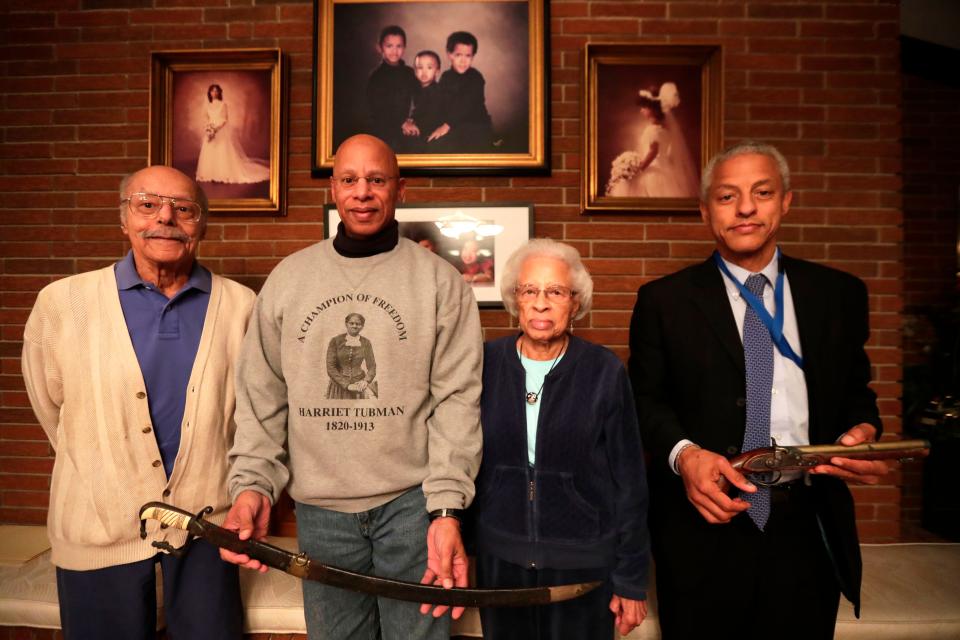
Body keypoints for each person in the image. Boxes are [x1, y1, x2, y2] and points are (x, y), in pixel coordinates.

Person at [221, 134, 483, 640]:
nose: (362, 192)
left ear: (399, 189)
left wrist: (447, 509)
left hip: (413, 509)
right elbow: (260, 398)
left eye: (376, 179)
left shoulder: (439, 282)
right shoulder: (289, 279)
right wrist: (253, 486)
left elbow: (457, 403)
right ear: (334, 190)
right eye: (349, 179)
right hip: (320, 515)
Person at [628, 141, 890, 639]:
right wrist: (685, 456)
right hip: (703, 524)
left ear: (785, 201)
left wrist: (863, 430)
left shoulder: (839, 295)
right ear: (706, 211)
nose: (745, 207)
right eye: (727, 196)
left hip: (807, 525)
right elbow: (644, 401)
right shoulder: (664, 301)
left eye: (761, 192)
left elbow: (858, 392)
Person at [21, 165, 256, 640]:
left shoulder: (241, 306)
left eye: (183, 209)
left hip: (207, 528)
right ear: (124, 218)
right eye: (147, 204)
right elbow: (51, 409)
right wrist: (107, 473)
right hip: (95, 524)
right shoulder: (64, 303)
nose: (165, 218)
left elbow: (254, 418)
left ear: (201, 224)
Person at [473, 238, 650, 639]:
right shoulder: (484, 364)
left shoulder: (604, 371)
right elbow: (461, 461)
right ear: (515, 299)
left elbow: (631, 483)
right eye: (529, 291)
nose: (540, 303)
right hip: (500, 562)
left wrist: (631, 579)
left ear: (576, 302)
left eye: (555, 292)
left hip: (585, 566)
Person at [606, 82, 698, 199]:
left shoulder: (653, 130)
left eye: (644, 107)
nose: (641, 111)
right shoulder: (665, 129)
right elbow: (666, 152)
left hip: (654, 172)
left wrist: (640, 169)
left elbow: (653, 152)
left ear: (653, 109)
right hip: (666, 170)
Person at [195, 83, 271, 184]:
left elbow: (225, 119)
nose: (214, 93)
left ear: (219, 93)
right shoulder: (207, 105)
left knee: (221, 151)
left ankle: (222, 174)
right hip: (210, 131)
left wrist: (215, 128)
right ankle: (210, 173)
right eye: (212, 91)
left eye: (216, 91)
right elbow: (206, 118)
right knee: (209, 151)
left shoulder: (223, 104)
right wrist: (209, 128)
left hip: (220, 131)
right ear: (209, 93)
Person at [431, 31, 494, 152]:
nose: (463, 60)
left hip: (475, 126)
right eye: (458, 55)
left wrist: (446, 126)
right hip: (452, 124)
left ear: (473, 57)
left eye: (468, 56)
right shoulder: (446, 76)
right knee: (431, 143)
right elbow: (439, 102)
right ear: (449, 55)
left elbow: (466, 105)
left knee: (450, 146)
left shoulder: (476, 78)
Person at [365, 25, 418, 149]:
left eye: (399, 46)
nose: (394, 51)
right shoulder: (377, 77)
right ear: (380, 48)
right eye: (389, 46)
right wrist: (402, 123)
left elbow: (418, 97)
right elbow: (378, 108)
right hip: (384, 127)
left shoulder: (409, 72)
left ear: (404, 48)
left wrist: (411, 119)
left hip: (407, 124)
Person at [401, 50, 447, 153]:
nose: (424, 72)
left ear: (437, 71)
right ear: (415, 70)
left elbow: (430, 117)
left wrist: (413, 123)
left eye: (429, 68)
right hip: (419, 128)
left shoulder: (437, 92)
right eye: (420, 68)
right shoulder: (415, 89)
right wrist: (409, 120)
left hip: (431, 131)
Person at [325, 312, 378, 399]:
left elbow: (372, 366)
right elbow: (330, 367)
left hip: (359, 385)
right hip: (339, 386)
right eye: (351, 323)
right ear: (346, 324)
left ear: (362, 326)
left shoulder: (366, 342)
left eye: (358, 324)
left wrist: (366, 381)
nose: (354, 326)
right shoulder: (336, 341)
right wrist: (347, 385)